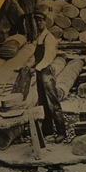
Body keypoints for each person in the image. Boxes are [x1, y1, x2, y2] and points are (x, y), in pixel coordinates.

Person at [29, 10, 66, 144]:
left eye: (40, 21)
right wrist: (30, 65)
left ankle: (62, 132)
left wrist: (36, 68)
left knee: (53, 103)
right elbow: (37, 57)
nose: (38, 23)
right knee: (43, 101)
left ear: (45, 22)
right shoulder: (39, 37)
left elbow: (48, 57)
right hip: (40, 72)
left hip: (46, 72)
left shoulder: (49, 38)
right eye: (36, 21)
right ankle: (47, 129)